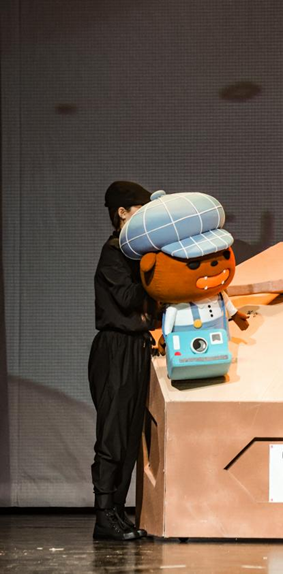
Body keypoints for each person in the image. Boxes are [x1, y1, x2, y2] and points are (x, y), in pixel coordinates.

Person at [89, 181, 156, 541]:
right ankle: (103, 515)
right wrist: (157, 268)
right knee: (112, 434)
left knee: (130, 438)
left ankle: (117, 511)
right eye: (140, 210)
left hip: (137, 347)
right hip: (115, 348)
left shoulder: (135, 254)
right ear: (122, 212)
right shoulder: (113, 252)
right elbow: (129, 298)